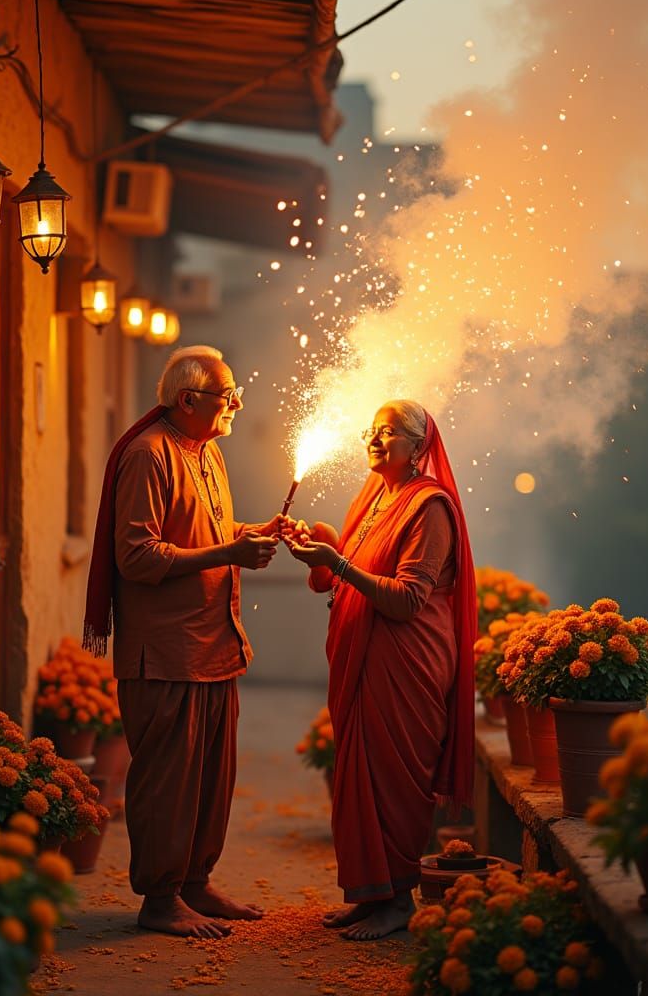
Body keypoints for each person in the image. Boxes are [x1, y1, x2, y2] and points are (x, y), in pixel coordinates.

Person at [83, 345, 290, 939]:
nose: (236, 405)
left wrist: (253, 533)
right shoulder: (150, 456)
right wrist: (229, 553)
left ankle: (195, 883)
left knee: (210, 780)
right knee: (168, 784)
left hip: (215, 646)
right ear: (188, 399)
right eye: (228, 396)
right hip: (167, 653)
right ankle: (161, 897)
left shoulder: (207, 452)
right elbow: (138, 555)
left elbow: (205, 530)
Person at [287, 400, 477, 940]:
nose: (373, 439)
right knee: (358, 774)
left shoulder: (430, 507)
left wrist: (337, 563)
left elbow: (408, 599)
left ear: (418, 447)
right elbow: (343, 576)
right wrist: (319, 548)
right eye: (370, 430)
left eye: (388, 432)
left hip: (408, 660)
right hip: (365, 656)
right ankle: (373, 898)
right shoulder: (373, 499)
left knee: (395, 778)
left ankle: (399, 902)